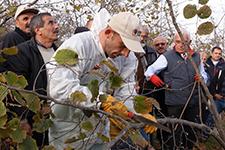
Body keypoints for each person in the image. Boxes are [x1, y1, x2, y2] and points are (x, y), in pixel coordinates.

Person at [47, 12, 156, 149]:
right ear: (109, 33)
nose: (125, 53)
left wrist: (138, 114)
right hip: (68, 129)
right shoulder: (79, 44)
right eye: (123, 45)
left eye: (129, 48)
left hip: (99, 130)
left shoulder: (127, 57)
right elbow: (60, 88)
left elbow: (125, 91)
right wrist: (101, 100)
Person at [144, 30, 208, 149]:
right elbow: (149, 70)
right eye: (177, 42)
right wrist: (152, 76)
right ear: (174, 42)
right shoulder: (167, 56)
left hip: (192, 101)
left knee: (191, 131)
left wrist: (201, 78)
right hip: (174, 101)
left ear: (189, 42)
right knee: (174, 132)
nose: (180, 45)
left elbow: (204, 75)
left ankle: (188, 147)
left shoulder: (197, 57)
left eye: (183, 42)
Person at [4, 12, 59, 148]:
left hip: (58, 118)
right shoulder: (22, 52)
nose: (57, 26)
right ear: (38, 30)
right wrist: (21, 119)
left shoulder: (60, 52)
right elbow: (17, 89)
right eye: (51, 23)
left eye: (56, 22)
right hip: (33, 119)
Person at [205, 46, 225, 114]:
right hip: (206, 91)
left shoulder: (223, 64)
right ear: (211, 53)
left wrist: (216, 93)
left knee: (216, 113)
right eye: (216, 53)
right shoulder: (206, 63)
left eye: (219, 54)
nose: (218, 55)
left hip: (217, 94)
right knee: (207, 112)